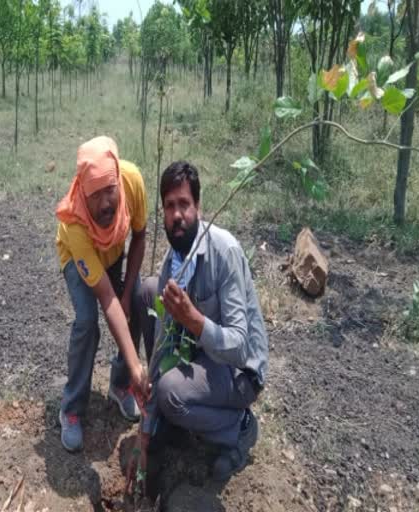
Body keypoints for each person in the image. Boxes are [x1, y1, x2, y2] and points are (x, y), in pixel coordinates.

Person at [127, 161, 269, 488]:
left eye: (184, 205)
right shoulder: (173, 263)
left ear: (199, 208)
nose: (177, 215)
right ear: (162, 213)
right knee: (150, 291)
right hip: (203, 356)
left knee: (170, 393)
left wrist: (194, 320)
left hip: (239, 371)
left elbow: (239, 345)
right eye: (170, 206)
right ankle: (171, 417)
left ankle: (240, 426)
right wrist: (143, 438)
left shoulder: (225, 251)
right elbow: (162, 347)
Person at [55, 135, 152, 453]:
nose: (105, 202)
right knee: (87, 322)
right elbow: (106, 297)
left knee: (137, 300)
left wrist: (127, 295)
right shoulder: (74, 224)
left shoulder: (132, 180)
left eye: (109, 191)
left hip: (114, 250)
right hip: (80, 258)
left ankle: (121, 384)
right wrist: (139, 364)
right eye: (95, 196)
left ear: (118, 183)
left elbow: (139, 236)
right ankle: (70, 408)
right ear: (82, 192)